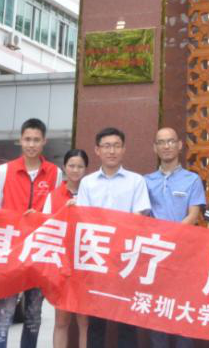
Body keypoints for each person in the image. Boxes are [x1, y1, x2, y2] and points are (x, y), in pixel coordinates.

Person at [0, 119, 62, 348]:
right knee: (5, 312)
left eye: (36, 140)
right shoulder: (4, 171)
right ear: (20, 140)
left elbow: (55, 212)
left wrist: (39, 217)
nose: (31, 144)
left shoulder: (55, 173)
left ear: (44, 141)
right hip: (10, 250)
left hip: (39, 252)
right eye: (27, 139)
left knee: (33, 314)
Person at [76, 127, 151, 348]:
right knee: (96, 321)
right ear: (97, 150)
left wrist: (117, 238)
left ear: (124, 149)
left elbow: (140, 217)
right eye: (107, 146)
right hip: (97, 259)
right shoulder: (87, 182)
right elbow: (83, 217)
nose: (112, 151)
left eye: (117, 146)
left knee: (126, 321)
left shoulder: (136, 181)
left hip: (126, 259)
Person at [143, 128, 207, 348]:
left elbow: (193, 215)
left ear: (179, 145)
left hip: (184, 254)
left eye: (171, 141)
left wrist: (171, 236)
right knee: (157, 313)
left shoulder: (192, 179)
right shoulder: (146, 181)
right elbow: (142, 215)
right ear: (155, 148)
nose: (166, 146)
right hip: (155, 255)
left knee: (182, 311)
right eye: (161, 142)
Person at [43, 149, 89, 348]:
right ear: (64, 167)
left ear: (85, 169)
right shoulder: (53, 196)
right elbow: (45, 227)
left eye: (80, 166)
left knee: (84, 322)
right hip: (61, 266)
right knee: (61, 321)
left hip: (87, 264)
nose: (75, 170)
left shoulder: (91, 194)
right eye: (71, 165)